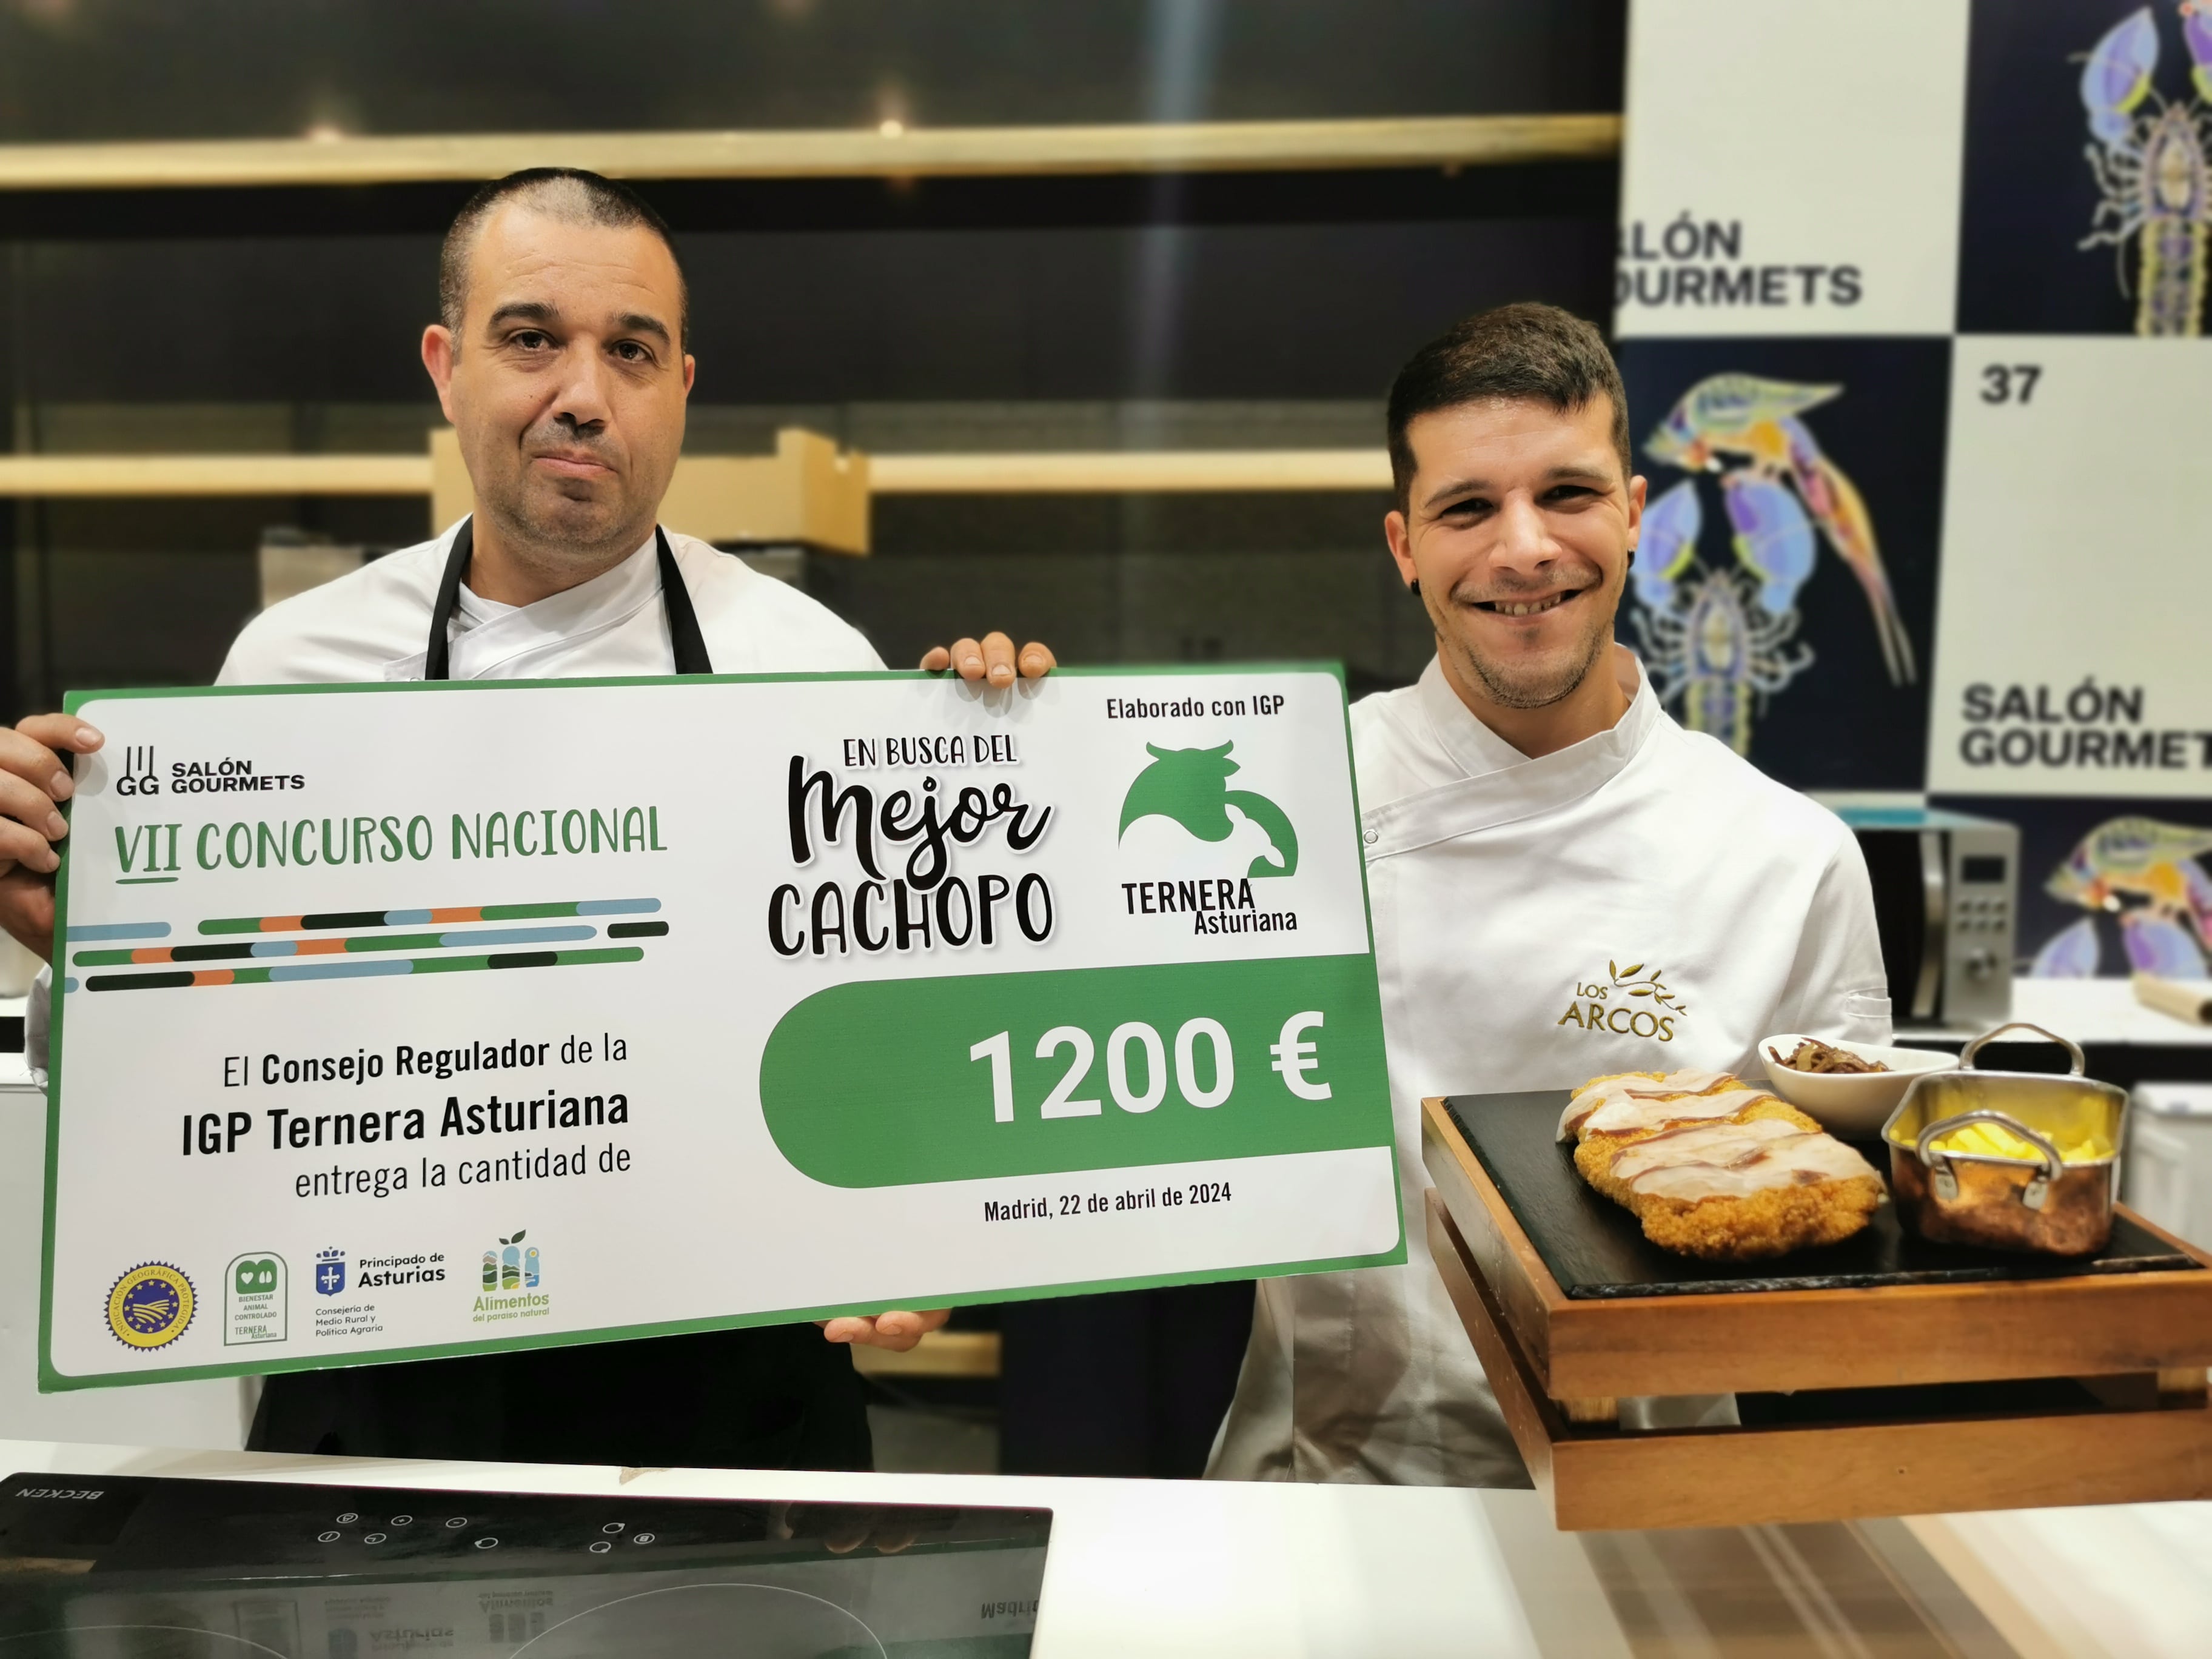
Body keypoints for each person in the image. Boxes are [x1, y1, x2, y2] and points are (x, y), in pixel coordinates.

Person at [0, 168, 1053, 1471]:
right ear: (447, 367)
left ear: (681, 388)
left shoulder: (814, 664)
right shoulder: (291, 668)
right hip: (381, 1370)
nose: (583, 394)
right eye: (531, 339)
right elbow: (218, 1062)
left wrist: (934, 1228)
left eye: (631, 351)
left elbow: (912, 1035)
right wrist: (86, 948)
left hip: (731, 1388)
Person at [1207, 304, 1888, 1486]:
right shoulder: (1275, 801)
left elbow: (1840, 1241)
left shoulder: (1788, 855)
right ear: (1404, 544)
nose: (1523, 548)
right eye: (1468, 507)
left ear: (1634, 511)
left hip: (1665, 1496)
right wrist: (998, 739)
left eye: (1566, 495)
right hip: (1331, 1486)